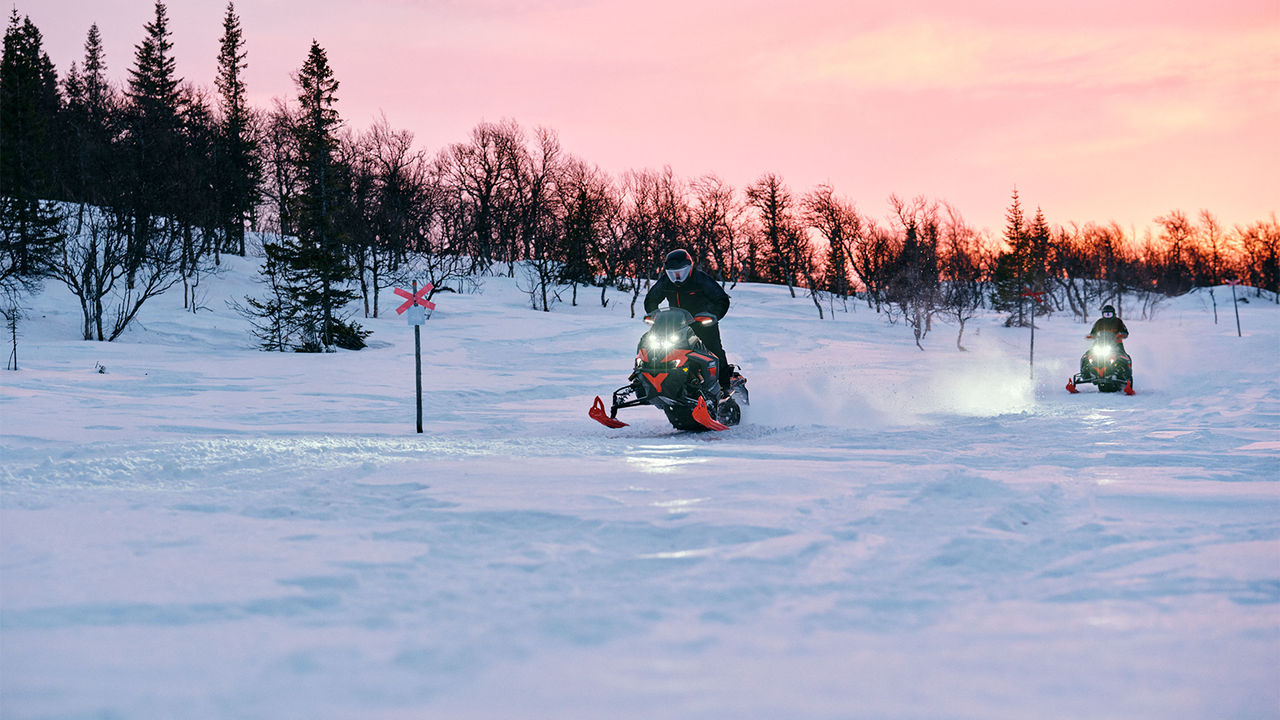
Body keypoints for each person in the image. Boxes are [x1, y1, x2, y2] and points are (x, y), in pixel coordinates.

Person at [644, 249, 734, 395]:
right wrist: (655, 314)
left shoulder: (701, 279)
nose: (677, 277)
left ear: (689, 268)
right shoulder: (666, 281)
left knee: (714, 351)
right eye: (672, 273)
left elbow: (721, 299)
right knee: (657, 348)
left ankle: (725, 387)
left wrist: (713, 315)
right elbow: (651, 299)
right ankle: (653, 382)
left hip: (703, 323)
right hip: (676, 324)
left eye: (680, 272)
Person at [1085, 304, 1132, 378]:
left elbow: (1125, 332)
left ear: (1113, 314)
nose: (1107, 316)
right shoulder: (1099, 322)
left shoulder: (1118, 322)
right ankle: (1086, 372)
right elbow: (1093, 331)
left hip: (1116, 344)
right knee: (1087, 355)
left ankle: (1125, 374)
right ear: (1102, 314)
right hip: (1100, 343)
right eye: (1105, 314)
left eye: (1109, 314)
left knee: (1124, 357)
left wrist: (1122, 334)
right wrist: (1092, 335)